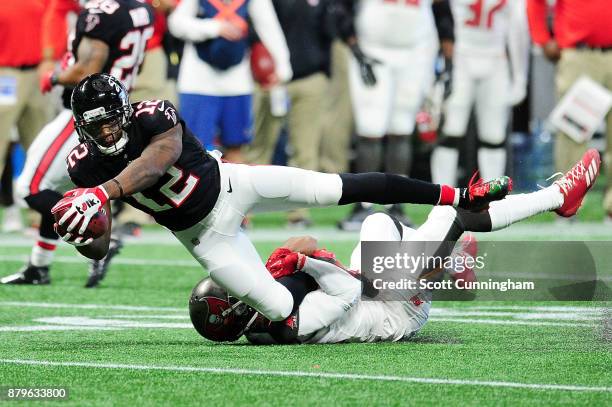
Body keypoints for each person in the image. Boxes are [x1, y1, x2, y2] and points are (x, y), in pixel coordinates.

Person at [53, 73, 510, 323]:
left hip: (232, 184)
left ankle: (455, 195)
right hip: (201, 237)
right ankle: (345, 273)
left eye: (114, 121)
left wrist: (100, 193)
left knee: (335, 186)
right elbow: (98, 241)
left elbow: (157, 161)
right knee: (279, 310)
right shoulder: (84, 166)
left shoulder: (153, 115)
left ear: (126, 111)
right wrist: (81, 230)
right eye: (99, 127)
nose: (109, 133)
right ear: (83, 127)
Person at [188, 148, 601, 343]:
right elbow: (347, 290)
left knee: (381, 220)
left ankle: (449, 262)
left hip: (372, 285)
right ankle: (558, 198)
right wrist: (306, 263)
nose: (241, 283)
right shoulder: (284, 325)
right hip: (392, 310)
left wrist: (296, 257)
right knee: (457, 215)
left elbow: (320, 252)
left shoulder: (265, 308)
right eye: (234, 291)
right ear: (235, 310)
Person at [1, 0, 154, 287]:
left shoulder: (100, 12)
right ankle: (39, 266)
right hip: (116, 108)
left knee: (30, 188)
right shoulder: (141, 8)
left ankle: (98, 241)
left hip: (87, 114)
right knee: (55, 187)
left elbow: (86, 69)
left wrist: (54, 76)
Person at [338, 0, 441, 231]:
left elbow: (439, 12)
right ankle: (364, 202)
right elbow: (340, 8)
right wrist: (353, 44)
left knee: (401, 129)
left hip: (414, 52)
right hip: (372, 50)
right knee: (370, 130)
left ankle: (397, 203)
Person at [167, 0, 292, 163]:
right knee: (194, 150)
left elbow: (268, 26)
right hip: (198, 82)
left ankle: (233, 189)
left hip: (237, 83)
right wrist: (215, 27)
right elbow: (176, 23)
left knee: (236, 150)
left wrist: (282, 68)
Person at [527, 0, 612, 220]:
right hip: (580, 54)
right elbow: (536, 3)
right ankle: (567, 203)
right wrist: (542, 40)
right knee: (573, 131)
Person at [431, 0, 530, 186]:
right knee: (450, 131)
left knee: (493, 135)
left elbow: (518, 29)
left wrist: (520, 78)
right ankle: (442, 197)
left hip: (495, 58)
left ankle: (491, 198)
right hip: (460, 57)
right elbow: (437, 15)